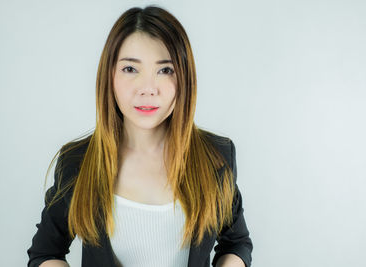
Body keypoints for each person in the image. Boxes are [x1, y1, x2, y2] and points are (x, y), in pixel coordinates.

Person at [27, 5, 253, 267]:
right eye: (130, 69)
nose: (147, 88)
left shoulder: (215, 156)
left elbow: (236, 243)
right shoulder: (77, 162)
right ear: (109, 75)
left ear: (185, 78)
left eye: (165, 70)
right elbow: (46, 253)